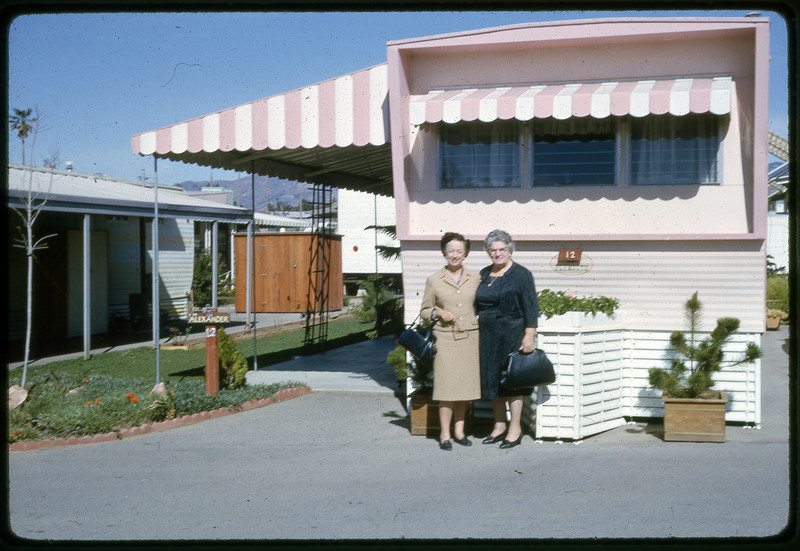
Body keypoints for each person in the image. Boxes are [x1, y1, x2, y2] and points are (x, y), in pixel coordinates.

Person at [475, 229, 539, 449]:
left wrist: (529, 335)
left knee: (511, 382)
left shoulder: (521, 274)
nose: (498, 254)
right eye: (493, 250)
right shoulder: (484, 274)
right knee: (491, 379)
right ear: (487, 252)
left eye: (502, 249)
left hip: (512, 332)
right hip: (487, 335)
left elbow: (531, 307)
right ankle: (499, 425)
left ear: (510, 250)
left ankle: (515, 428)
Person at [420, 232, 482, 451]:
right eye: (450, 251)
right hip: (445, 338)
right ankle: (444, 434)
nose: (455, 255)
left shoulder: (475, 278)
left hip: (469, 338)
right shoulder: (434, 279)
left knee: (464, 388)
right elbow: (424, 311)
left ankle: (459, 431)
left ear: (465, 253)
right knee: (446, 388)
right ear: (444, 252)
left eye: (459, 251)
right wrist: (438, 312)